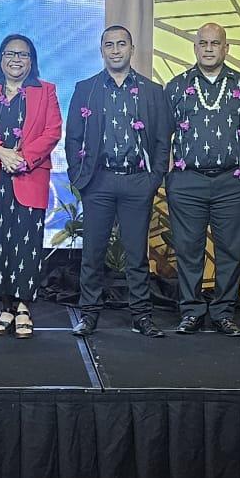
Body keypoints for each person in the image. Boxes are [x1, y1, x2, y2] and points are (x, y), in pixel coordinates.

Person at [67, 25, 172, 338]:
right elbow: (73, 138)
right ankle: (89, 314)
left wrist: (153, 178)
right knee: (93, 253)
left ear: (131, 49)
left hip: (137, 181)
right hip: (98, 182)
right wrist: (80, 178)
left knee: (136, 255)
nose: (115, 50)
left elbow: (162, 139)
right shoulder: (86, 89)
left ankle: (141, 315)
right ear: (102, 50)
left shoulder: (152, 91)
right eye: (109, 45)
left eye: (121, 44)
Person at [163, 23, 240, 337]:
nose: (208, 49)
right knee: (188, 250)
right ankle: (191, 312)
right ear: (194, 47)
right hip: (187, 181)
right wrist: (170, 176)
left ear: (226, 48)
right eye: (202, 43)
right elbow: (163, 135)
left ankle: (223, 312)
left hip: (233, 182)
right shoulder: (177, 86)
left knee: (230, 251)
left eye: (215, 43)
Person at [0, 35, 62, 339]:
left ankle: (22, 307)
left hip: (28, 176)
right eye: (10, 53)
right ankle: (5, 306)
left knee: (26, 242)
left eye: (22, 54)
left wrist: (22, 159)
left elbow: (52, 131)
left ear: (31, 60)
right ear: (1, 58)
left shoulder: (46, 91)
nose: (16, 59)